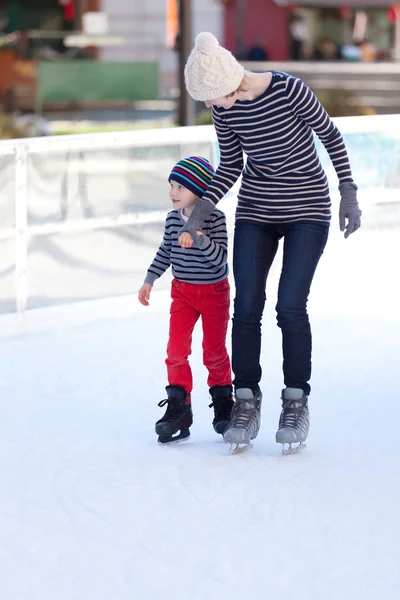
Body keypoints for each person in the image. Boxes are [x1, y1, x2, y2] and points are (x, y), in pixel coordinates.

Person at [181, 32, 361, 453]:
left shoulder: (290, 91)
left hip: (307, 211)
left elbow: (331, 136)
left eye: (212, 99)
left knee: (289, 307)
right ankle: (246, 400)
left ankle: (296, 401)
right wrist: (198, 214)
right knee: (245, 307)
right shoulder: (225, 111)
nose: (211, 108)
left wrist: (347, 192)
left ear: (232, 84)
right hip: (256, 212)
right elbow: (230, 166)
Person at [138, 156, 233, 444]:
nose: (173, 191)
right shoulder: (171, 220)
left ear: (199, 189)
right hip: (182, 293)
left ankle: (224, 405)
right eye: (171, 185)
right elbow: (165, 252)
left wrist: (200, 237)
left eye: (180, 186)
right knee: (176, 351)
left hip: (214, 293)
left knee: (213, 352)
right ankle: (179, 408)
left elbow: (221, 263)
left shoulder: (215, 219)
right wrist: (149, 279)